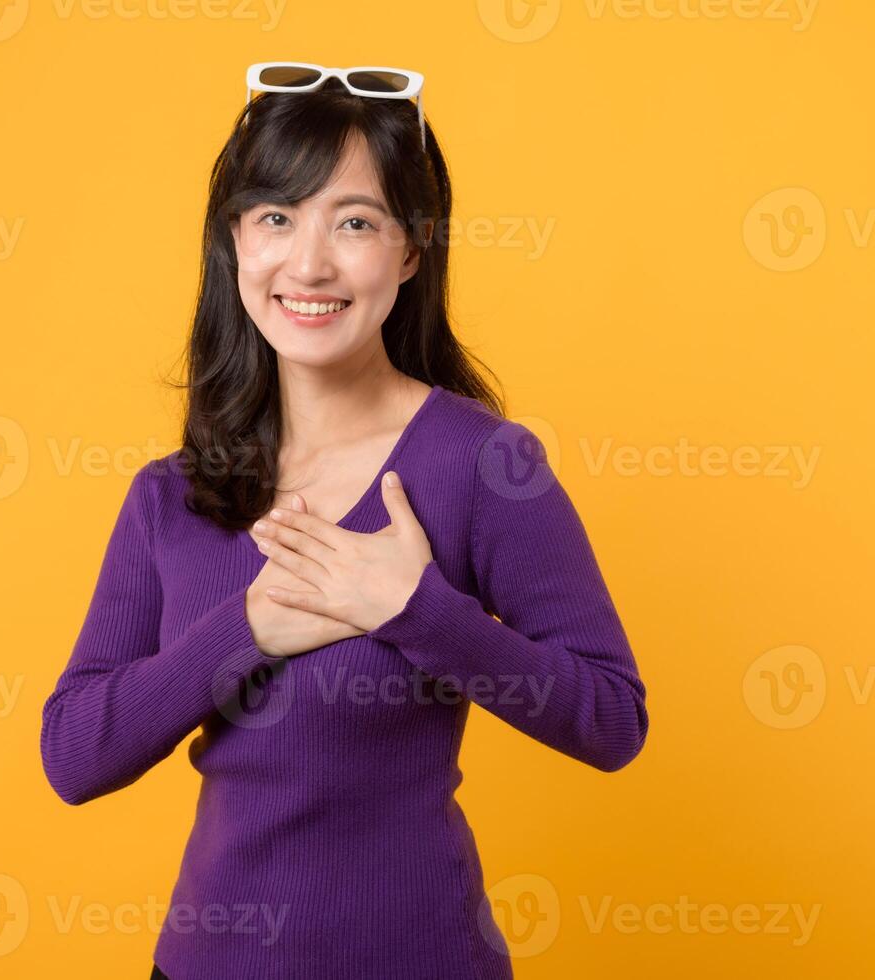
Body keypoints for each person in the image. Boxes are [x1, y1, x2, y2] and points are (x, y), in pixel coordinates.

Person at [39, 63, 649, 980]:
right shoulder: (172, 495)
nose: (310, 263)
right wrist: (245, 631)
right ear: (234, 243)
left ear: (411, 250)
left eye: (355, 221)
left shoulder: (484, 465)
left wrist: (416, 609)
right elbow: (74, 755)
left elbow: (611, 718)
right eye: (276, 217)